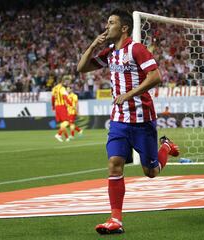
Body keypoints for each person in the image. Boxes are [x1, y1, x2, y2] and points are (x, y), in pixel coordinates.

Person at [77, 9, 179, 235]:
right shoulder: (109, 53)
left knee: (150, 171)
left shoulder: (137, 49)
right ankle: (115, 219)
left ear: (123, 28)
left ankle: (166, 147)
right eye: (106, 22)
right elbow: (81, 67)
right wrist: (94, 45)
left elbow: (156, 76)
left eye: (111, 23)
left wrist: (130, 93)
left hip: (143, 119)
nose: (106, 26)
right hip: (119, 120)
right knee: (114, 162)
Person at [51, 78, 72, 142]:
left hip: (57, 107)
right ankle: (58, 134)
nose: (65, 83)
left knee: (63, 124)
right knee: (67, 122)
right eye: (64, 82)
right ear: (61, 82)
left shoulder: (54, 89)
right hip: (62, 106)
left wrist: (53, 107)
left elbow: (52, 98)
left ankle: (67, 137)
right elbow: (65, 97)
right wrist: (70, 104)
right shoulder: (62, 88)